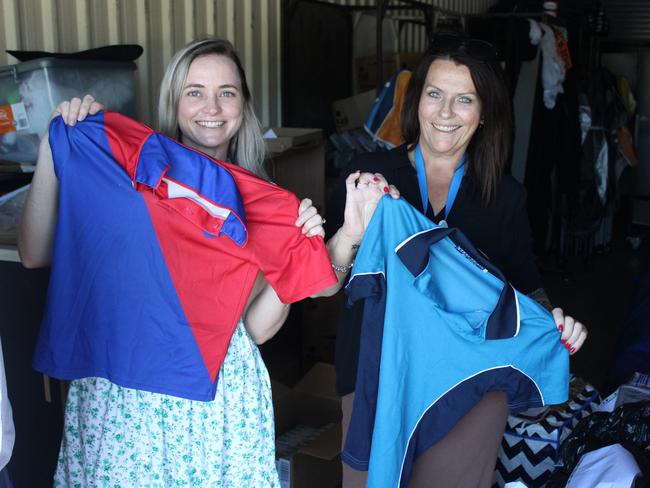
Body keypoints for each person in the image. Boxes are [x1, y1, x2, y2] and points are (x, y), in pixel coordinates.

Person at [18, 37, 397, 486]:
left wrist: (345, 236)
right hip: (124, 396)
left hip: (216, 398)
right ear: (173, 101)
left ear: (244, 105)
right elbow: (33, 252)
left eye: (227, 92)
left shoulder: (261, 201)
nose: (211, 107)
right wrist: (55, 146)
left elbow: (259, 325)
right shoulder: (128, 170)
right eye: (194, 91)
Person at [324, 33, 588, 487]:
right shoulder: (368, 178)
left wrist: (555, 323)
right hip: (377, 376)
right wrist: (352, 233)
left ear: (484, 113)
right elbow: (323, 283)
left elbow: (526, 287)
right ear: (416, 103)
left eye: (464, 99)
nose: (445, 113)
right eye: (434, 95)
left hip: (467, 387)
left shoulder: (504, 197)